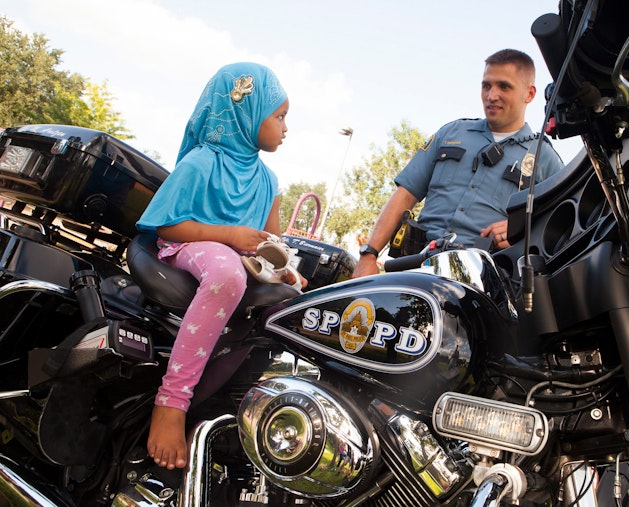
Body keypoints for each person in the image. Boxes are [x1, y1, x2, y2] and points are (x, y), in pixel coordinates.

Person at [136, 62, 304, 470]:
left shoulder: (268, 182)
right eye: (279, 117)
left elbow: (271, 243)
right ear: (244, 114)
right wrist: (229, 236)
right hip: (188, 248)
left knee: (287, 305)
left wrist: (285, 272)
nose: (285, 128)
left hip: (236, 260)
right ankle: (171, 401)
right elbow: (168, 224)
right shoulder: (201, 162)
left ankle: (205, 405)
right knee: (227, 272)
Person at [352, 49, 564, 278]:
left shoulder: (544, 158)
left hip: (484, 282)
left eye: (504, 86)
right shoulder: (451, 132)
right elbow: (405, 194)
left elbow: (561, 229)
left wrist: (522, 233)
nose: (492, 95)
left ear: (529, 94)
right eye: (486, 86)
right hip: (416, 270)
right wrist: (369, 255)